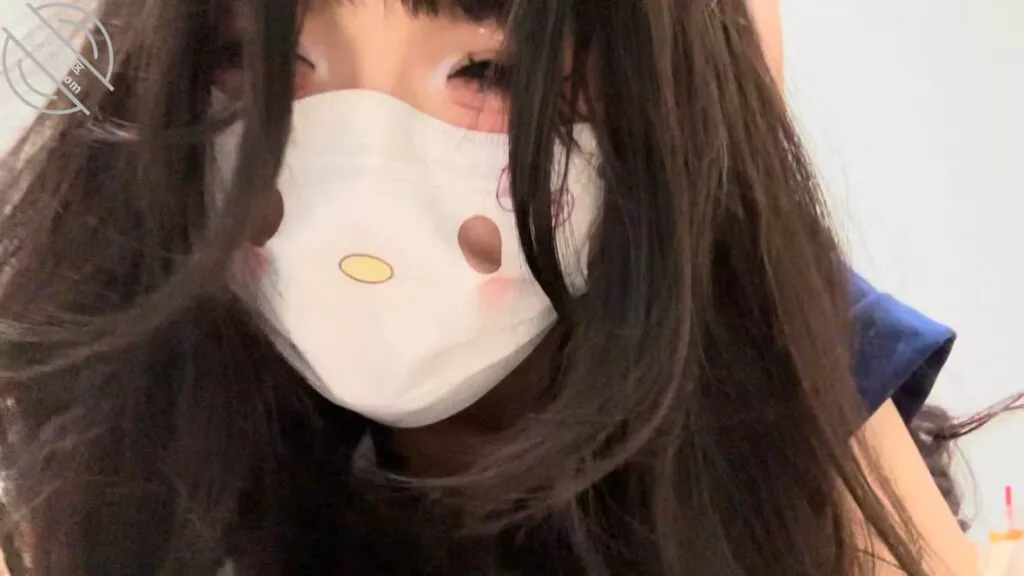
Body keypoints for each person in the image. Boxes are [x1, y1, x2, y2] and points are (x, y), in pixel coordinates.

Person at [0, 0, 978, 574]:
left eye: (488, 73)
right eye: (258, 61)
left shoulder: (761, 387)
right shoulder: (124, 429)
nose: (355, 184)